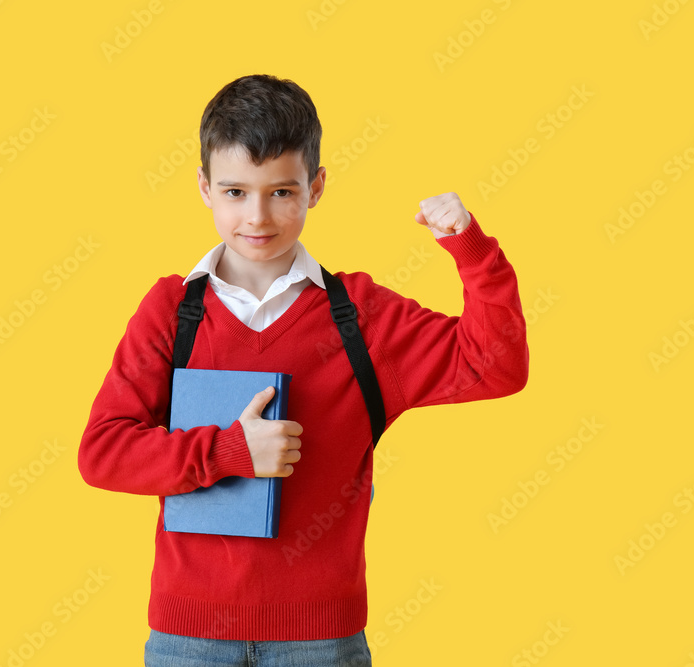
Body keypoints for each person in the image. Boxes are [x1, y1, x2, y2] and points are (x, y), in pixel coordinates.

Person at [77, 73, 529, 666]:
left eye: (281, 192)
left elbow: (496, 367)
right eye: (236, 192)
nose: (258, 217)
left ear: (315, 188)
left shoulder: (362, 318)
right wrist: (230, 453)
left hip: (320, 642)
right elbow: (104, 453)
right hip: (188, 639)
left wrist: (471, 250)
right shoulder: (171, 311)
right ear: (204, 188)